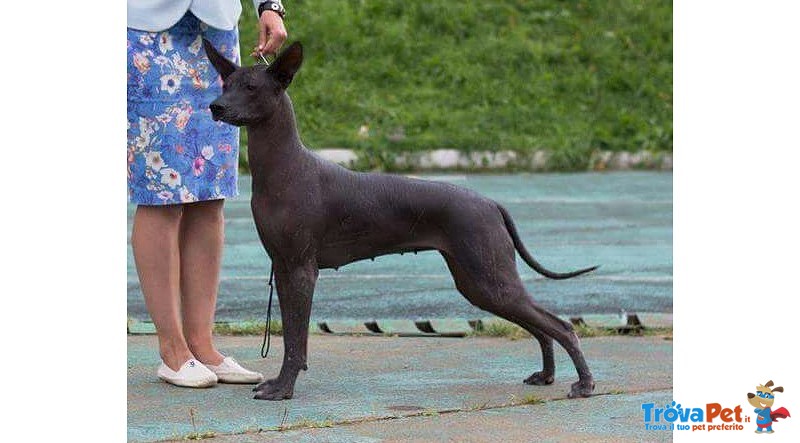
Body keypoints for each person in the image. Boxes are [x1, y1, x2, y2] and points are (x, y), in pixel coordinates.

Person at [127, 0, 287, 388]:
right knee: (161, 195)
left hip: (216, 32)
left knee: (208, 194)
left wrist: (270, 5)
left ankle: (202, 346)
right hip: (144, 34)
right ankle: (172, 350)